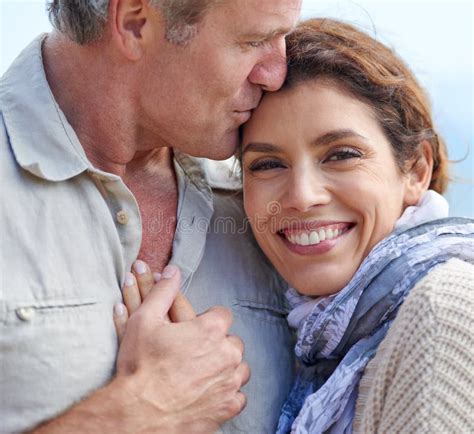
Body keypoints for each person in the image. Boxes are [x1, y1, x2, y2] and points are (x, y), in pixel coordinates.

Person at [0, 0, 301, 433]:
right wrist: (142, 411)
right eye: (253, 41)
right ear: (135, 23)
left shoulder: (273, 198)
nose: (276, 74)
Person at [239, 18, 474, 433]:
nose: (302, 195)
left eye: (341, 154)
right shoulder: (315, 340)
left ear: (417, 170)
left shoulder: (442, 311)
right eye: (268, 164)